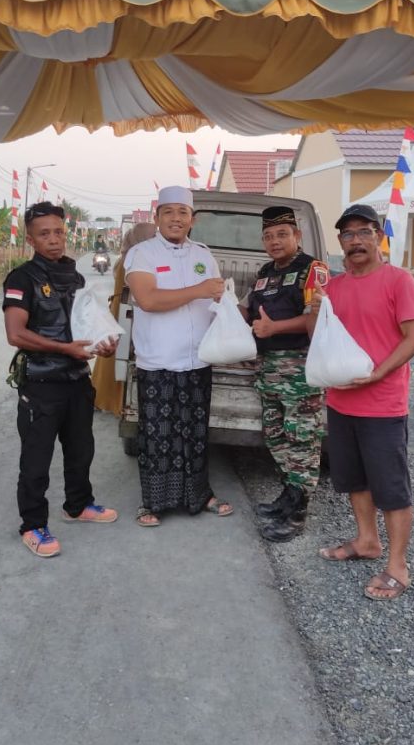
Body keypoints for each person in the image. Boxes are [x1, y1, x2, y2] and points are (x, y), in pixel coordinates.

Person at [309, 203, 414, 600]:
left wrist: (379, 372)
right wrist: (315, 307)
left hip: (383, 406)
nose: (356, 241)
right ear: (340, 242)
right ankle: (366, 541)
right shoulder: (336, 288)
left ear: (379, 236)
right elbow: (320, 337)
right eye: (348, 234)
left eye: (364, 232)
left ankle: (397, 566)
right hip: (341, 403)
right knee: (354, 480)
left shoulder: (399, 281)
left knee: (391, 488)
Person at [3, 202, 119, 559]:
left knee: (81, 449)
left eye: (57, 232)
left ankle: (78, 505)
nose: (53, 240)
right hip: (41, 383)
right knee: (36, 459)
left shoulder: (76, 277)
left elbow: (86, 325)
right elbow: (15, 334)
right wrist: (63, 349)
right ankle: (33, 524)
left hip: (77, 380)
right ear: (31, 238)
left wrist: (105, 343)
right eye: (44, 234)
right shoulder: (21, 278)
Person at [124, 185, 233, 527]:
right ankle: (152, 503)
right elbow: (149, 300)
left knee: (196, 434)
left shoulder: (204, 254)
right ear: (157, 218)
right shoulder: (142, 254)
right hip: (157, 361)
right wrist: (199, 291)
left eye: (182, 212)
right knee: (158, 435)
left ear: (192, 219)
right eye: (168, 212)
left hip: (198, 361)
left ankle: (200, 495)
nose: (175, 218)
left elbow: (218, 301)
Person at [239, 206, 329, 543]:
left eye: (282, 234)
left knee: (302, 439)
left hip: (300, 367)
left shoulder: (312, 270)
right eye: (268, 236)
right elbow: (245, 308)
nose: (274, 241)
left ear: (297, 236)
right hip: (269, 368)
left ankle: (297, 513)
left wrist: (273, 328)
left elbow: (316, 319)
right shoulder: (264, 271)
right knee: (275, 434)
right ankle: (288, 495)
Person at [92, 222, 156, 416]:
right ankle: (118, 402)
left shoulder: (126, 256)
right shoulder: (137, 258)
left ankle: (101, 397)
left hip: (120, 308)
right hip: (129, 310)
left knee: (114, 355)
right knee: (124, 354)